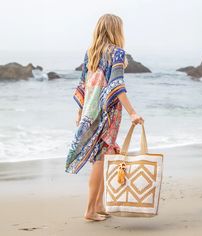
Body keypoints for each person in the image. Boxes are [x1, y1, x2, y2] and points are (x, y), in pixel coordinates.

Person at [65, 13, 144, 221]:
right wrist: (133, 113)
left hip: (89, 112)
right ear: (116, 30)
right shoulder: (117, 53)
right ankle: (90, 210)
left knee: (104, 157)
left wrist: (80, 111)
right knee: (100, 159)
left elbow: (83, 84)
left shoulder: (90, 52)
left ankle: (98, 205)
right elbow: (117, 86)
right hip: (106, 114)